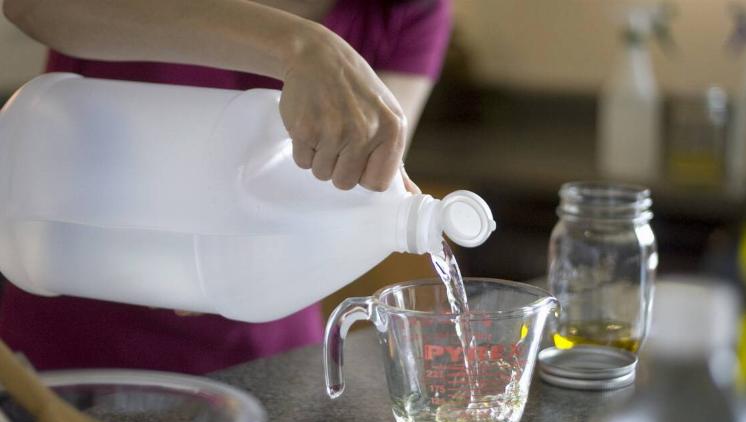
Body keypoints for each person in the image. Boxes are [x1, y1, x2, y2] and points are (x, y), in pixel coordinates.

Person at [0, 0, 452, 373]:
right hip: (67, 346)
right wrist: (298, 45)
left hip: (263, 355)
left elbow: (362, 182)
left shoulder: (409, 10)